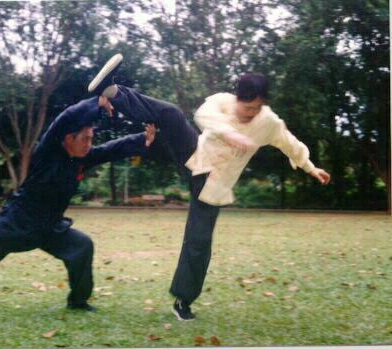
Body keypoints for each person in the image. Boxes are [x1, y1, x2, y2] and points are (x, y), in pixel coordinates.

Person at [88, 54, 331, 321]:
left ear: (262, 105)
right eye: (244, 108)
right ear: (236, 98)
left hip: (214, 184)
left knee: (199, 240)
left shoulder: (269, 123)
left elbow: (290, 144)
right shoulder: (222, 102)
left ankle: (183, 301)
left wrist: (310, 166)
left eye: (254, 110)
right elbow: (202, 115)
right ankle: (112, 91)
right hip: (195, 157)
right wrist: (230, 133)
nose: (248, 114)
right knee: (170, 113)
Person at [0, 77, 157, 322]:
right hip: (14, 223)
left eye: (92, 138)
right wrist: (96, 102)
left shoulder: (83, 157)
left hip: (50, 227)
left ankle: (78, 301)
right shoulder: (47, 152)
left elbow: (111, 150)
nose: (90, 144)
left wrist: (140, 140)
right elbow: (64, 119)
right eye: (86, 138)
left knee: (81, 246)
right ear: (68, 138)